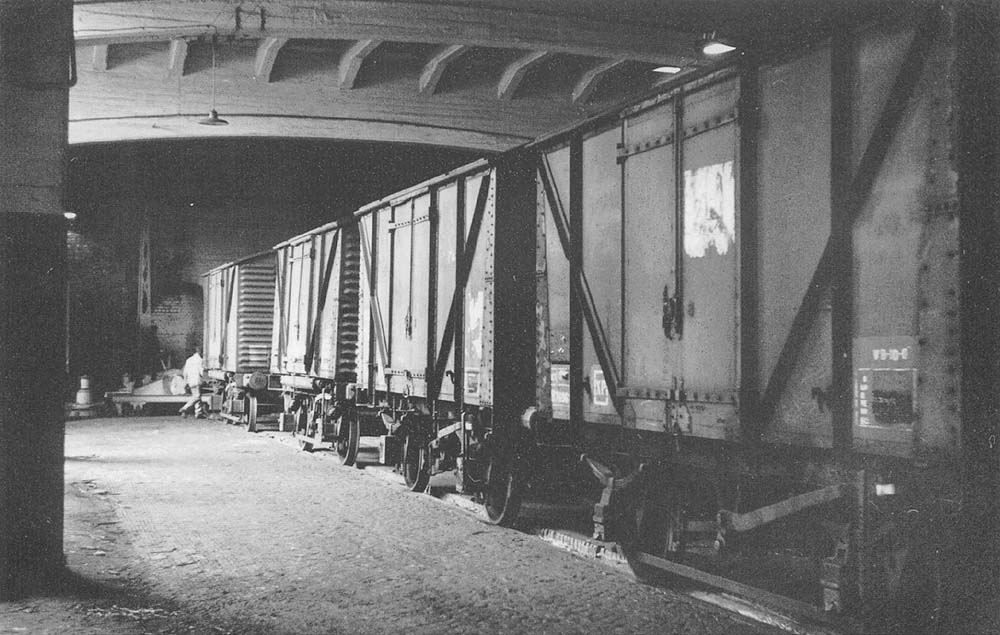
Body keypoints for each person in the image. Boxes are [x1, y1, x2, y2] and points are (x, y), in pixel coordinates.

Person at [178, 348, 205, 418]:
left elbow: (185, 372)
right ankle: (185, 408)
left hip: (190, 381)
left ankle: (198, 413)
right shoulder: (200, 360)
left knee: (195, 395)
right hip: (197, 380)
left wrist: (185, 381)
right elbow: (201, 372)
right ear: (200, 353)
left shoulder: (189, 360)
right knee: (197, 396)